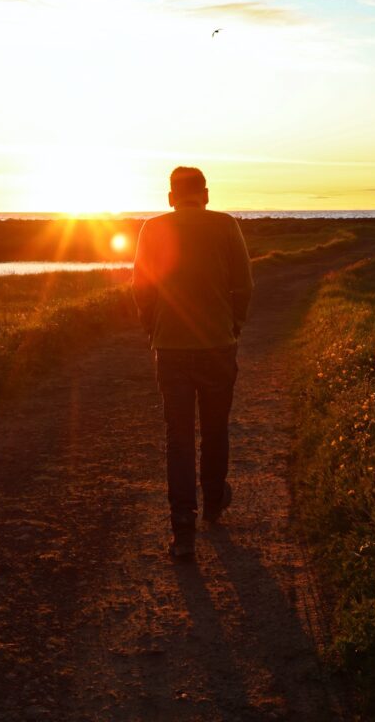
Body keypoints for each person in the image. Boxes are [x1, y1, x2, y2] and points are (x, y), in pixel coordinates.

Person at [132, 166, 253, 560]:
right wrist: (233, 325)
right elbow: (244, 285)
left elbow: (142, 288)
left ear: (171, 197)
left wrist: (153, 329)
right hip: (218, 344)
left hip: (171, 349)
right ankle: (215, 502)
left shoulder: (152, 229)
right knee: (215, 428)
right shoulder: (226, 226)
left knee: (178, 438)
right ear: (205, 194)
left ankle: (182, 529)